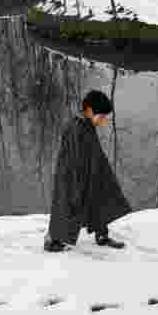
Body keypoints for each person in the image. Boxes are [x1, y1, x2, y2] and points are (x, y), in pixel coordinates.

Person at [44, 90, 132, 252]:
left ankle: (101, 234)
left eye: (105, 118)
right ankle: (53, 240)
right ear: (90, 111)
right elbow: (72, 160)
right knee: (67, 205)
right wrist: (80, 182)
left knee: (101, 196)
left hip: (92, 171)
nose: (104, 121)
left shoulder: (87, 124)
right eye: (102, 117)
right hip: (73, 176)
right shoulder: (75, 128)